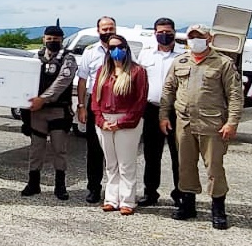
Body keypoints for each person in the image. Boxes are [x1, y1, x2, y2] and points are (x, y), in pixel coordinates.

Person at [160, 24, 244, 229]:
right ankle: (188, 205)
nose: (196, 40)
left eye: (200, 36)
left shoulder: (223, 63)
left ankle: (218, 210)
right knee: (185, 166)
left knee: (214, 168)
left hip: (212, 124)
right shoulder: (179, 61)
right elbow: (169, 89)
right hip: (184, 123)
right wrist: (164, 115)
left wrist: (232, 122)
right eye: (192, 37)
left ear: (209, 38)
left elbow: (235, 94)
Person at [91, 34, 148, 215]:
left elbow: (140, 102)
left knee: (126, 163)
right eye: (112, 47)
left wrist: (122, 122)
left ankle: (127, 200)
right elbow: (95, 98)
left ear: (126, 49)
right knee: (111, 163)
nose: (116, 51)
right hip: (105, 120)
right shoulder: (103, 71)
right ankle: (111, 198)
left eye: (120, 47)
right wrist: (101, 120)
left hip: (126, 121)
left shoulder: (137, 71)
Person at [20, 25, 77, 200]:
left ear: (62, 39)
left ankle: (60, 186)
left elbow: (63, 81)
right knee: (36, 148)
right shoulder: (34, 58)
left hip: (58, 111)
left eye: (56, 39)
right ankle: (33, 183)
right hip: (37, 112)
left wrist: (43, 99)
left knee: (59, 149)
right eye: (49, 38)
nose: (52, 41)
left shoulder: (68, 58)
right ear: (43, 39)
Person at [137, 17, 187, 208]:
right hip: (151, 110)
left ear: (174, 33)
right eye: (160, 32)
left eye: (168, 32)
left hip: (177, 111)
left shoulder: (183, 55)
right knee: (151, 154)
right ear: (154, 33)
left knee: (179, 155)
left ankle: (180, 193)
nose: (164, 35)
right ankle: (150, 192)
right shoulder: (146, 55)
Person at [75, 16, 116, 203]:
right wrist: (81, 106)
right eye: (104, 29)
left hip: (118, 103)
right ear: (98, 30)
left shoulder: (123, 49)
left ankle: (115, 191)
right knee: (94, 149)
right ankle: (93, 188)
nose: (108, 32)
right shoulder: (90, 52)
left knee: (117, 151)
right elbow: (82, 80)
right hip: (95, 103)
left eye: (111, 28)